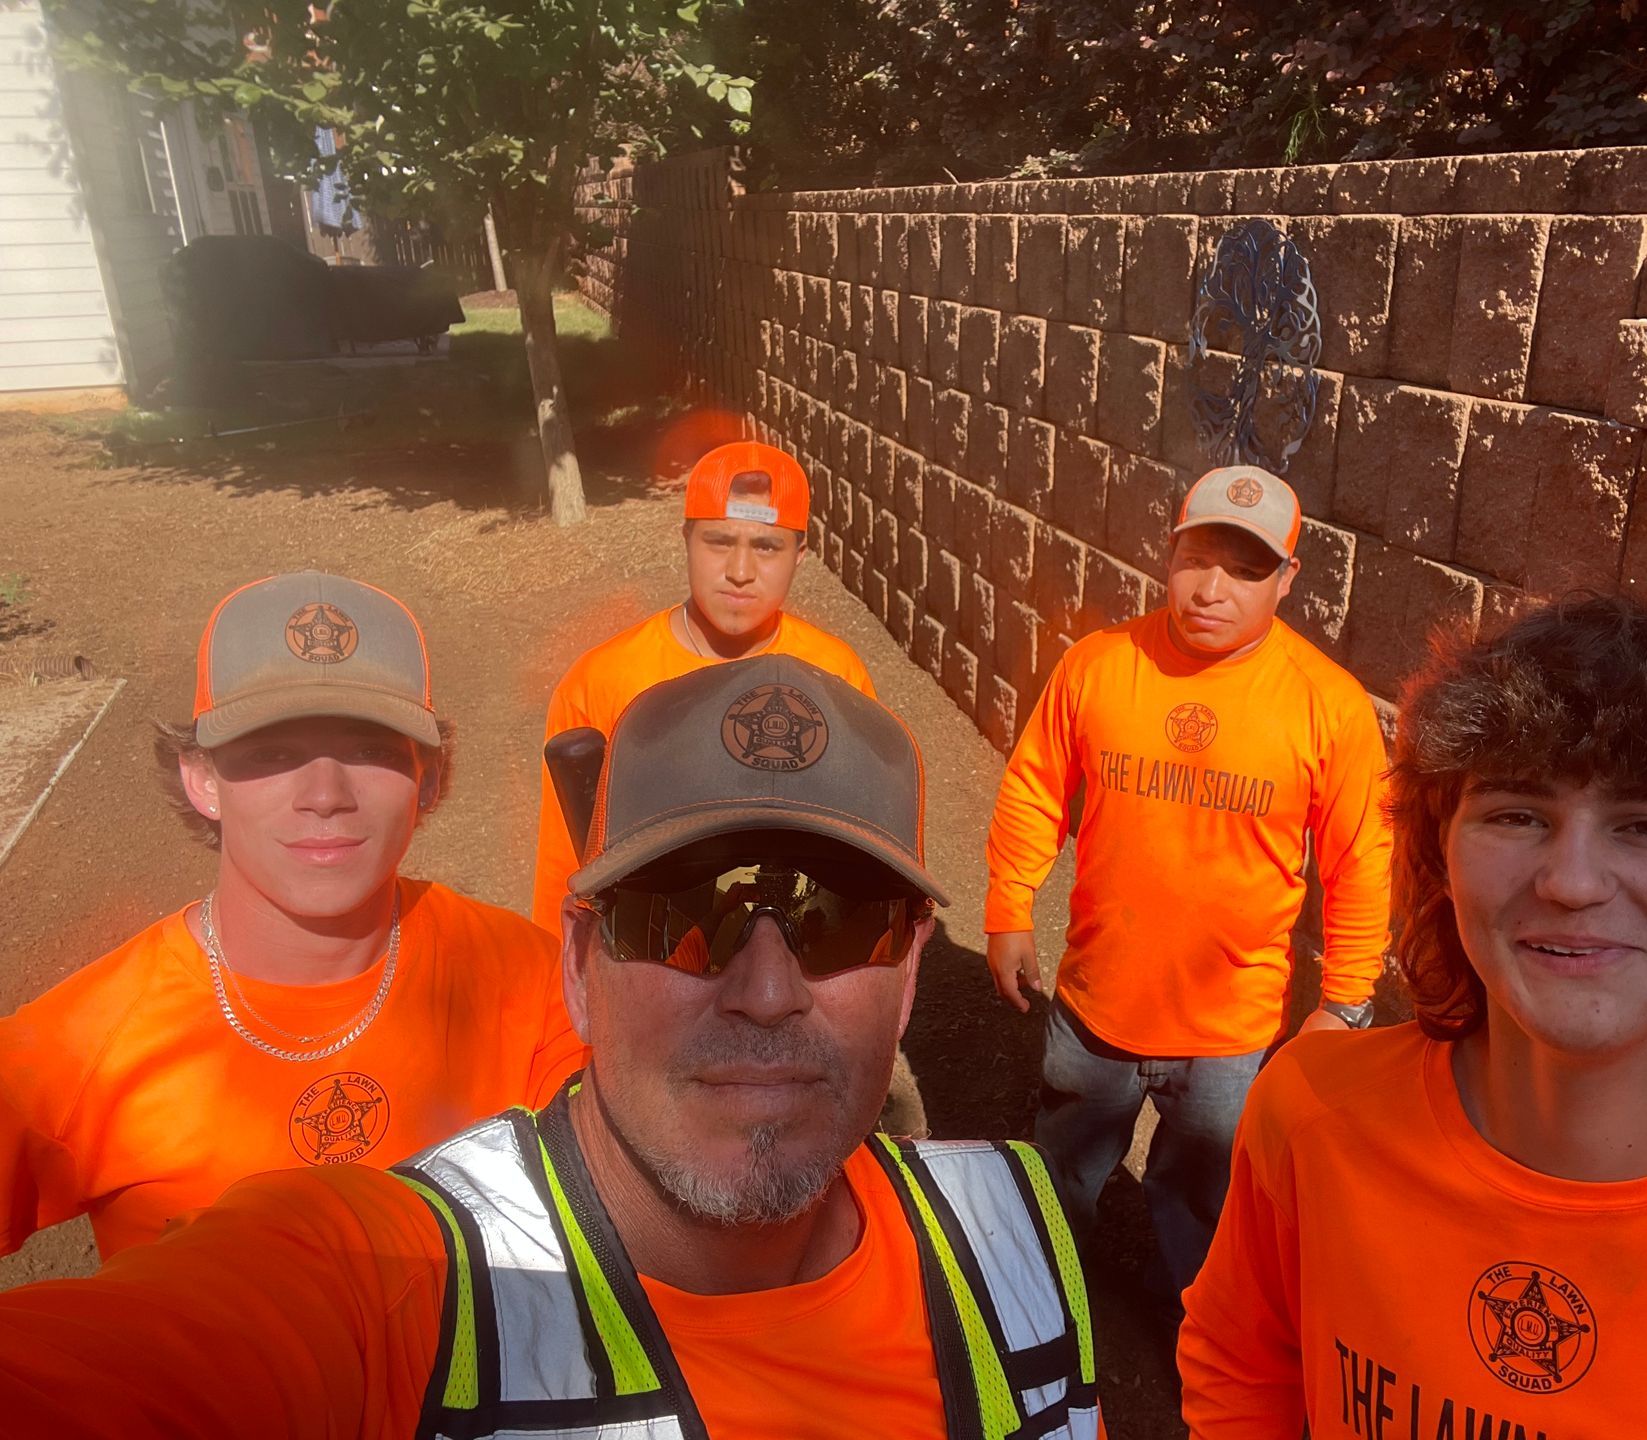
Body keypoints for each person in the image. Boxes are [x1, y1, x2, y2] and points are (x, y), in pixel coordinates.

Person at [0, 655, 1102, 1440]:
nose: (767, 992)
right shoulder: (404, 1285)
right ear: (577, 962)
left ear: (909, 972)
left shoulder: (1022, 1236)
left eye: (836, 918)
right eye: (682, 910)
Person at [1179, 596, 1647, 1438]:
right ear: (1441, 860)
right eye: (1517, 815)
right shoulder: (1308, 1112)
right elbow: (1241, 1365)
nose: (1571, 882)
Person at [0, 572, 583, 1260]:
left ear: (426, 778)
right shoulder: (76, 1051)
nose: (326, 794)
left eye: (371, 750)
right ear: (203, 780)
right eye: (274, 754)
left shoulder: (526, 979)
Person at [983, 465, 1393, 1306]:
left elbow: (1361, 861)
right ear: (1168, 555)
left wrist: (1345, 1001)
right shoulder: (1098, 667)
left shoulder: (1329, 707)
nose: (1211, 588)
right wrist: (1008, 905)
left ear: (1287, 580)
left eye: (1246, 569)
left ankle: (1196, 1337)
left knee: (1204, 1198)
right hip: (1100, 1002)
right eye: (1197, 557)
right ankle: (1044, 1307)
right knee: (1063, 1165)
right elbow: (1034, 787)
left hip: (1229, 1031)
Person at [530, 439, 874, 935]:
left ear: (800, 555)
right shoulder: (602, 679)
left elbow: (863, 854)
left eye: (766, 546)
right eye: (719, 541)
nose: (739, 571)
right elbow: (563, 867)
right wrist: (559, 995)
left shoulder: (836, 676)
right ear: (686, 539)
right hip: (646, 955)